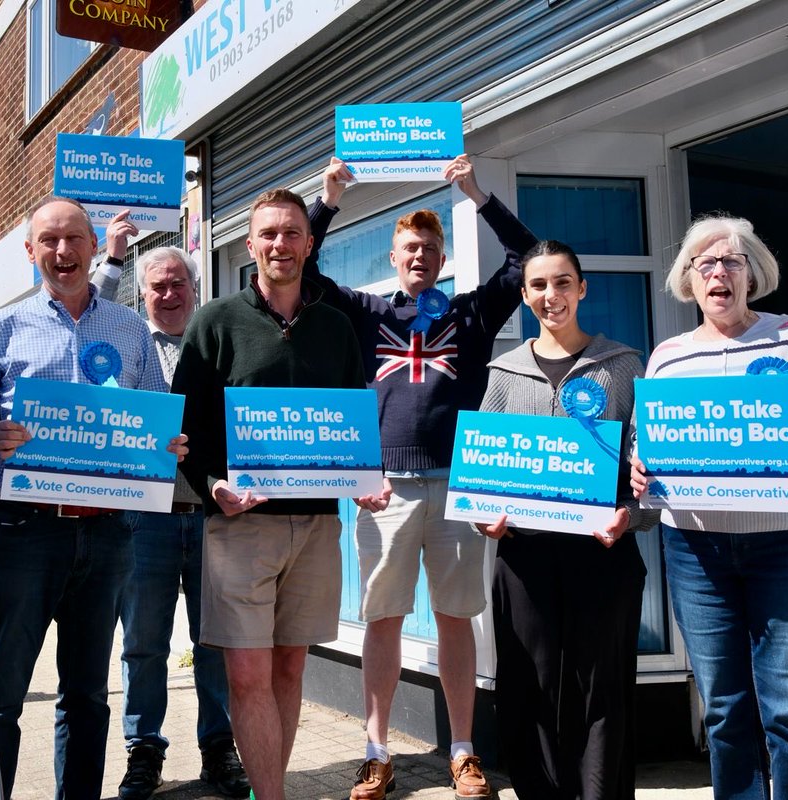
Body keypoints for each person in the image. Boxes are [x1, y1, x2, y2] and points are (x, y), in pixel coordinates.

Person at [309, 156, 530, 800]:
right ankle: (376, 753)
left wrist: (476, 193)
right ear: (395, 253)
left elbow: (525, 257)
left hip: (459, 486)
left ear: (441, 257)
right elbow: (307, 271)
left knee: (456, 618)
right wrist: (327, 200)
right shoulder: (367, 312)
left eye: (429, 249)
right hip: (389, 491)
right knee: (382, 620)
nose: (419, 257)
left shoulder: (471, 314)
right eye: (409, 247)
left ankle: (463, 751)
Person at [0, 195, 182, 800]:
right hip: (26, 529)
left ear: (93, 245)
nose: (62, 251)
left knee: (86, 693)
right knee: (2, 690)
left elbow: (153, 420)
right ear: (31, 252)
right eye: (49, 241)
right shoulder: (3, 327)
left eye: (74, 239)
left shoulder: (131, 328)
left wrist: (167, 447)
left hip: (109, 535)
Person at [629, 215, 788, 800]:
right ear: (688, 279)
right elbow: (643, 444)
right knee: (725, 709)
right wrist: (637, 467)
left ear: (752, 273)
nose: (718, 272)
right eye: (704, 263)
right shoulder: (669, 356)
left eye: (730, 260)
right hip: (696, 552)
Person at [172, 187, 365, 800]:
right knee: (248, 673)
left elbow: (352, 423)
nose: (280, 244)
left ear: (310, 244)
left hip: (314, 526)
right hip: (240, 526)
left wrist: (366, 477)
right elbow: (185, 431)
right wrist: (211, 486)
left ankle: (266, 787)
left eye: (291, 233)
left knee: (289, 667)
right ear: (250, 244)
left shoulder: (336, 327)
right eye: (269, 234)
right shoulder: (214, 322)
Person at [475, 240, 652, 800]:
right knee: (529, 688)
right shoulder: (503, 372)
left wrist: (634, 515)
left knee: (601, 692)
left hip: (602, 553)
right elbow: (482, 474)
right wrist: (485, 517)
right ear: (525, 296)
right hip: (525, 559)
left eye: (562, 282)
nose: (551, 295)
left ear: (582, 288)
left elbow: (650, 469)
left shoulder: (623, 365)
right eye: (538, 285)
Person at [95, 239, 248, 800]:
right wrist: (112, 257)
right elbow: (89, 311)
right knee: (143, 643)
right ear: (143, 292)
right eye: (156, 284)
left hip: (213, 516)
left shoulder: (218, 339)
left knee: (216, 641)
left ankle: (219, 749)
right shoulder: (126, 340)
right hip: (145, 519)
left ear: (194, 288)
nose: (167, 292)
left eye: (177, 283)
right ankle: (144, 751)